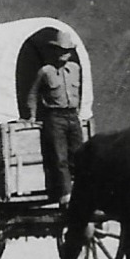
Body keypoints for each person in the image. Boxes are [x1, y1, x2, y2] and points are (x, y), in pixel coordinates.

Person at [26, 30, 85, 205]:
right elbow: (32, 95)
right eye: (60, 50)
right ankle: (66, 195)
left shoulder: (75, 69)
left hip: (73, 117)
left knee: (80, 155)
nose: (64, 54)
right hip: (55, 118)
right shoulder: (45, 72)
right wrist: (32, 117)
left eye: (67, 50)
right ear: (54, 51)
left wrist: (81, 112)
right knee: (60, 158)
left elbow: (81, 93)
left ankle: (83, 192)